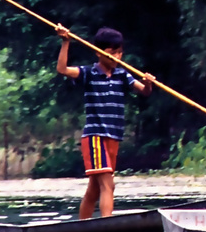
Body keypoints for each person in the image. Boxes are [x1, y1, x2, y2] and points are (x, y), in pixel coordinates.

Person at [57, 25, 154, 219]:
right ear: (99, 53)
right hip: (95, 136)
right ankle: (106, 224)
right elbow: (62, 69)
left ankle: (82, 226)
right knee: (108, 184)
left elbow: (144, 91)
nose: (117, 57)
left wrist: (149, 82)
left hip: (114, 137)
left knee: (95, 188)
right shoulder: (88, 73)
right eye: (112, 53)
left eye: (119, 53)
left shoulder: (122, 75)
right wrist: (66, 41)